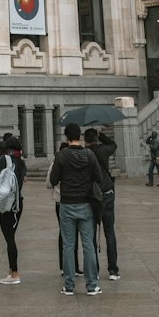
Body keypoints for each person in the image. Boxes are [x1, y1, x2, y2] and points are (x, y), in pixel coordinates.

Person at [48, 121, 102, 296]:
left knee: (68, 246)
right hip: (86, 204)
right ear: (79, 137)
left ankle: (69, 286)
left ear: (66, 137)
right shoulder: (89, 155)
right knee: (88, 246)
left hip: (67, 205)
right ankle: (92, 285)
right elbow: (98, 177)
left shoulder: (62, 156)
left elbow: (54, 179)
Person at [0, 133, 26, 285]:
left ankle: (15, 273)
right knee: (11, 237)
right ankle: (11, 271)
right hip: (18, 203)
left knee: (10, 239)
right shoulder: (21, 162)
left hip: (6, 205)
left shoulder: (4, 159)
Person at [85, 127, 120, 280]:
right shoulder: (103, 150)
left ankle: (95, 271)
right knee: (109, 232)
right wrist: (103, 137)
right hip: (107, 193)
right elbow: (113, 145)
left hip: (92, 196)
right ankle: (113, 270)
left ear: (85, 140)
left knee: (91, 234)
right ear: (96, 139)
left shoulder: (85, 154)